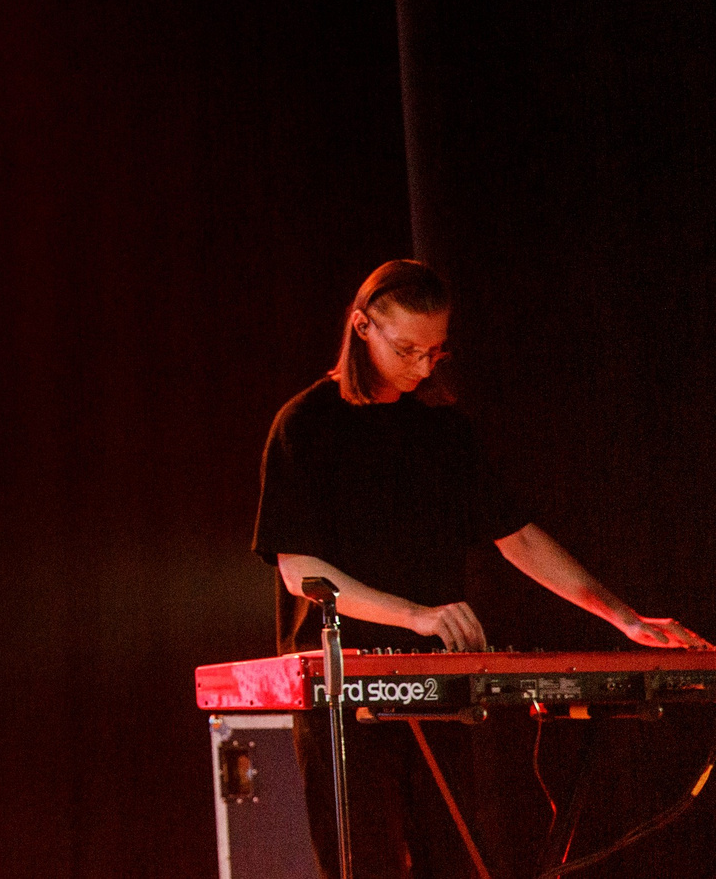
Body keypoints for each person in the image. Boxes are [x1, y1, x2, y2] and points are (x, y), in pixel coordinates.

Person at [252, 260, 707, 878]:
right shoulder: (304, 426)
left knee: (453, 857)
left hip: (442, 679)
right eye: (407, 348)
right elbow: (299, 567)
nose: (422, 365)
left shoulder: (442, 430)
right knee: (364, 862)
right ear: (362, 327)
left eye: (435, 351)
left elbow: (518, 537)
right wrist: (415, 615)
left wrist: (623, 617)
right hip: (341, 687)